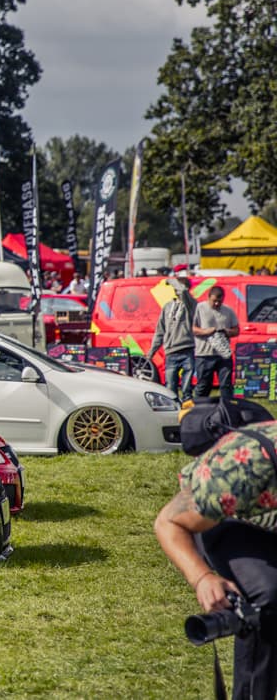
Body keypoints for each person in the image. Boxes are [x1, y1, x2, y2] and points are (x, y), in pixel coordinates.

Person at [154, 423, 277, 699]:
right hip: (229, 520)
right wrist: (202, 578)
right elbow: (168, 523)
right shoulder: (242, 470)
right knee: (267, 595)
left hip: (267, 514)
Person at [150, 276, 197, 402]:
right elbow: (160, 331)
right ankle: (174, 410)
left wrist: (171, 281)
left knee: (187, 389)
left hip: (187, 349)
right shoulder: (167, 306)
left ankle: (187, 409)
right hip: (171, 352)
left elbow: (183, 292)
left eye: (179, 288)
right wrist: (151, 352)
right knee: (170, 388)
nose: (177, 290)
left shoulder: (191, 304)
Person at [193, 285, 240, 398]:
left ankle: (227, 406)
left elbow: (236, 330)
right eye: (214, 301)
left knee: (226, 385)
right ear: (208, 297)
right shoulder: (199, 308)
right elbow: (192, 328)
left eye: (219, 301)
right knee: (203, 385)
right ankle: (199, 406)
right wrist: (206, 331)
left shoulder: (228, 310)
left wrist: (227, 332)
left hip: (223, 354)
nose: (216, 304)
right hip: (204, 354)